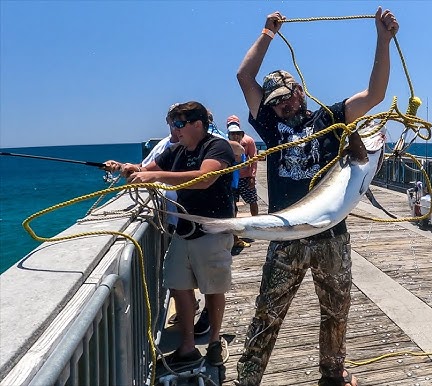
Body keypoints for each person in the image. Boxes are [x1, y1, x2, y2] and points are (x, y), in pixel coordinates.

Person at [234, 7, 399, 386]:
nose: (284, 106)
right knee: (268, 311)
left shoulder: (330, 117)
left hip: (331, 236)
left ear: (300, 92)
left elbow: (375, 94)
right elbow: (244, 76)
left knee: (336, 309)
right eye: (276, 102)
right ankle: (247, 377)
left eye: (288, 99)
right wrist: (266, 34)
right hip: (286, 235)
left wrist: (383, 39)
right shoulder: (271, 126)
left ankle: (332, 374)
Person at [104, 101, 236, 369]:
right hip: (182, 231)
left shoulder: (216, 147)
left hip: (211, 230)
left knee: (213, 288)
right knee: (179, 286)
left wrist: (157, 178)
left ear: (197, 124)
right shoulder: (175, 151)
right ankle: (187, 348)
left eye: (179, 124)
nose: (175, 131)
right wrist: (123, 167)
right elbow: (146, 169)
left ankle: (213, 341)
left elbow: (204, 178)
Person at [226, 115, 259, 217]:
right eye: (232, 133)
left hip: (245, 177)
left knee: (252, 200)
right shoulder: (223, 141)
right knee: (231, 204)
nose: (235, 136)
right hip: (230, 178)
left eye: (237, 133)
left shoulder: (248, 141)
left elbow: (254, 158)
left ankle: (256, 222)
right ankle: (233, 227)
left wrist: (252, 176)